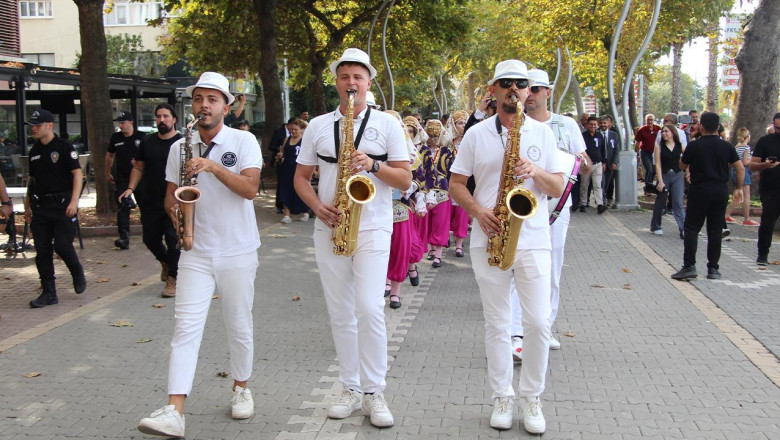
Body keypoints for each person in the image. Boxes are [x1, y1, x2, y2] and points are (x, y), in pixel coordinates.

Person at [136, 72, 263, 438]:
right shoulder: (180, 146)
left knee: (238, 324)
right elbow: (170, 193)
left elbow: (250, 189)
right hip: (195, 250)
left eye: (211, 99)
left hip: (238, 249)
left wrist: (212, 166)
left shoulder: (243, 140)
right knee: (185, 329)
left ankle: (241, 388)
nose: (203, 105)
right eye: (198, 99)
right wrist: (177, 215)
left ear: (225, 105)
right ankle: (175, 410)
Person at [293, 48, 411, 428]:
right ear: (337, 82)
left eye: (357, 77)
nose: (351, 84)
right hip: (331, 225)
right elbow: (300, 177)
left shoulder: (388, 125)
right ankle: (349, 387)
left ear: (368, 83)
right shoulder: (318, 126)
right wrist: (317, 207)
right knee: (341, 312)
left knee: (369, 308)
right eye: (344, 77)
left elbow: (406, 179)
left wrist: (373, 164)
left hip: (374, 225)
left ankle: (375, 391)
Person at [449, 59, 565, 434]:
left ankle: (532, 397)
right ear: (494, 90)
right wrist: (479, 211)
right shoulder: (477, 134)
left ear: (529, 92)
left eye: (521, 84)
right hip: (490, 236)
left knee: (537, 322)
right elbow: (455, 185)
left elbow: (558, 187)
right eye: (506, 83)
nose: (514, 89)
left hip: (533, 239)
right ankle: (502, 395)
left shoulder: (544, 134)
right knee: (498, 324)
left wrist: (536, 172)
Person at [509, 68, 588, 359]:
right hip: (521, 205)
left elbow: (583, 165)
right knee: (517, 266)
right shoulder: (515, 123)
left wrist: (572, 164)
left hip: (556, 204)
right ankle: (516, 331)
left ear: (548, 92)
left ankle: (546, 327)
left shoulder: (566, 125)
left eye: (537, 89)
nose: (531, 94)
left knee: (551, 267)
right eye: (528, 88)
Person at [22, 109, 86, 308]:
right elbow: (31, 181)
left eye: (38, 125)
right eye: (32, 125)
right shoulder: (34, 151)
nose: (34, 128)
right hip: (41, 206)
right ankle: (49, 292)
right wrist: (27, 208)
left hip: (62, 205)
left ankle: (76, 270)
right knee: (42, 251)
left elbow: (77, 174)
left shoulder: (64, 146)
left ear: (50, 126)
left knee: (62, 246)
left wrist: (74, 202)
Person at [119, 104, 183, 298]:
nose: (161, 120)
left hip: (175, 200)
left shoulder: (182, 142)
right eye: (158, 117)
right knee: (150, 238)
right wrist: (130, 188)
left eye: (165, 116)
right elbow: (138, 167)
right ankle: (165, 262)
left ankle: (173, 277)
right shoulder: (147, 141)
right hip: (150, 199)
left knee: (173, 240)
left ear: (174, 119)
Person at [672, 111, 744, 281]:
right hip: (720, 191)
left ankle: (689, 266)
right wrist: (738, 188)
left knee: (691, 229)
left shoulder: (695, 145)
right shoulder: (726, 146)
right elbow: (740, 168)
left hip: (699, 190)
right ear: (718, 127)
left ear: (701, 126)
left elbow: (682, 165)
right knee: (715, 230)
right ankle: (713, 268)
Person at [106, 110, 145, 250]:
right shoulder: (115, 138)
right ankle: (124, 237)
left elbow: (150, 157)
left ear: (131, 122)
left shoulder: (142, 137)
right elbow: (109, 156)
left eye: (123, 122)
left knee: (145, 206)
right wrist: (107, 172)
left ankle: (149, 233)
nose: (121, 126)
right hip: (122, 178)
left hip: (141, 178)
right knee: (123, 206)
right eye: (119, 123)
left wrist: (141, 161)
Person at [420, 119, 455, 268]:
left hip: (442, 191)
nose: (433, 139)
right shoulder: (420, 151)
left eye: (436, 136)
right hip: (425, 190)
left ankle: (438, 254)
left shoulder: (447, 152)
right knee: (426, 222)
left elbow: (453, 172)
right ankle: (432, 249)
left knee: (440, 223)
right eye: (430, 135)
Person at [750, 113, 780, 265]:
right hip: (771, 189)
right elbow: (752, 164)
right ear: (773, 125)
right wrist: (765, 165)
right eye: (777, 127)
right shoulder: (765, 141)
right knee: (768, 221)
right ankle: (762, 254)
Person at [650, 124, 688, 238]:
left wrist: (688, 172)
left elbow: (687, 159)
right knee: (661, 200)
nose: (664, 134)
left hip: (677, 175)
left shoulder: (680, 145)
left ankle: (684, 228)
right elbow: (658, 164)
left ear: (672, 133)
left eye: (666, 131)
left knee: (678, 202)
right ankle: (656, 226)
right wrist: (660, 181)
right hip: (664, 175)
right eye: (663, 132)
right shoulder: (659, 146)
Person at [276, 118, 310, 223]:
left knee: (299, 190)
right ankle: (287, 215)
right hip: (286, 168)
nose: (293, 132)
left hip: (299, 168)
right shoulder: (287, 139)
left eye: (296, 129)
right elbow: (282, 152)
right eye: (291, 129)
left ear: (301, 130)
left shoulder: (305, 140)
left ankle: (305, 211)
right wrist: (280, 155)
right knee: (285, 190)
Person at [447, 110, 470, 258]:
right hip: (449, 182)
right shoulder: (448, 144)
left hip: (464, 182)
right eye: (460, 123)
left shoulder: (470, 141)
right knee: (448, 214)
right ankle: (444, 239)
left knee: (461, 213)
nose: (463, 126)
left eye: (464, 123)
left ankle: (459, 244)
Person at [726, 128, 758, 226]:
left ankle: (727, 214)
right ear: (747, 136)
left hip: (734, 170)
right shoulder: (746, 148)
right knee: (746, 195)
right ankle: (747, 218)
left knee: (738, 194)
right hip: (743, 170)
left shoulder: (736, 146)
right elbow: (745, 162)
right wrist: (751, 161)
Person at [578, 116, 605, 212]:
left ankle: (600, 204)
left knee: (597, 184)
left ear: (597, 125)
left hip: (598, 163)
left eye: (595, 124)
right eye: (591, 124)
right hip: (586, 164)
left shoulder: (599, 136)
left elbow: (603, 149)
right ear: (587, 125)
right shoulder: (583, 136)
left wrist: (604, 162)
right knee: (584, 184)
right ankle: (583, 203)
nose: (593, 126)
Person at [634, 114, 661, 191]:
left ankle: (650, 186)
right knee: (649, 169)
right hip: (645, 152)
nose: (650, 121)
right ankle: (648, 188)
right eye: (648, 120)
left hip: (655, 153)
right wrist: (636, 153)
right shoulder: (642, 130)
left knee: (654, 170)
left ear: (653, 120)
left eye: (651, 120)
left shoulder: (658, 129)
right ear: (645, 121)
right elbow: (638, 142)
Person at [599, 115, 619, 210]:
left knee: (609, 182)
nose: (603, 125)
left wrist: (615, 162)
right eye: (601, 123)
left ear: (609, 124)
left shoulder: (613, 135)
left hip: (610, 162)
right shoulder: (597, 134)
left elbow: (616, 150)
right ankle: (602, 201)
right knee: (601, 182)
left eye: (605, 123)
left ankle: (607, 198)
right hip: (600, 162)